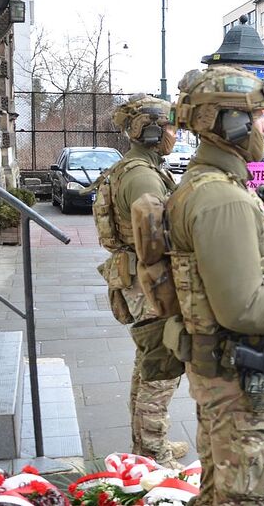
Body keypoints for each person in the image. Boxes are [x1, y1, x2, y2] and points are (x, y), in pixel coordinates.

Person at [167, 66, 264, 504]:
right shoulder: (222, 198)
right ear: (229, 123)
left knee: (220, 491)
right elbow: (243, 307)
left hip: (224, 372)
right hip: (237, 380)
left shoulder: (214, 186)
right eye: (258, 118)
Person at [93, 95, 188, 466]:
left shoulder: (138, 167)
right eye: (168, 127)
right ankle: (154, 453)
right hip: (152, 282)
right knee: (161, 369)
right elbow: (160, 236)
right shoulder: (143, 175)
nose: (173, 134)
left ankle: (146, 446)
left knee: (148, 364)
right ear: (149, 131)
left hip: (140, 277)